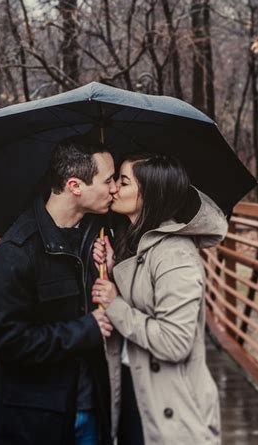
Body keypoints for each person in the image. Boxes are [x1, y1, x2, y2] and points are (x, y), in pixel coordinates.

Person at [0, 138, 118, 445]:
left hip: (91, 406)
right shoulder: (15, 253)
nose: (114, 189)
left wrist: (113, 267)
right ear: (75, 186)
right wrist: (85, 329)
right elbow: (8, 343)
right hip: (37, 417)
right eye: (107, 181)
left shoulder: (98, 236)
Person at [92, 154, 228, 445]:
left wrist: (114, 303)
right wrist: (115, 267)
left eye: (123, 181)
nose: (113, 188)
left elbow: (174, 341)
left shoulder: (175, 256)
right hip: (137, 387)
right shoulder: (139, 242)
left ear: (150, 194)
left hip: (173, 406)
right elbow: (143, 298)